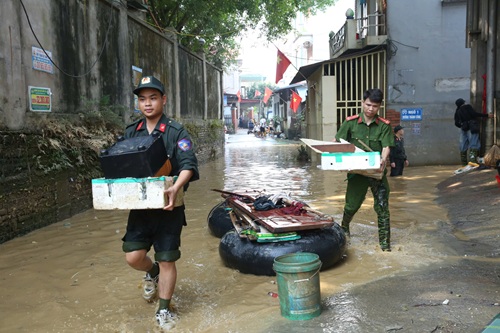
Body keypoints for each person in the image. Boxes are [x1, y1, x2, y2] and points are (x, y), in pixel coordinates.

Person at [122, 76, 199, 329]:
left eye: (153, 98)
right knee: (133, 257)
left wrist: (176, 186)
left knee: (168, 259)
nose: (147, 103)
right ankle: (151, 272)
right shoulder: (131, 132)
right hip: (141, 208)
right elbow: (123, 165)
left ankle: (163, 310)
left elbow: (189, 165)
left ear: (163, 100)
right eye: (142, 99)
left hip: (169, 207)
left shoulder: (176, 132)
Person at [335, 88, 394, 251]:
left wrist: (383, 158)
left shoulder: (384, 125)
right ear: (362, 103)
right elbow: (337, 142)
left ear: (379, 106)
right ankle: (344, 227)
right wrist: (339, 161)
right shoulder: (350, 122)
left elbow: (386, 146)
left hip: (377, 173)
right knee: (351, 206)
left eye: (374, 106)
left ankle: (385, 245)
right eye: (368, 105)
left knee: (383, 207)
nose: (370, 109)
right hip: (357, 173)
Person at [454, 98, 493, 165]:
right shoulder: (467, 107)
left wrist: (462, 125)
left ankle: (464, 163)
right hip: (472, 128)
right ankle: (472, 161)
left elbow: (456, 123)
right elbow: (474, 114)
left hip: (464, 128)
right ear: (463, 102)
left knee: (463, 144)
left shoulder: (457, 111)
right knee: (474, 142)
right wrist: (486, 115)